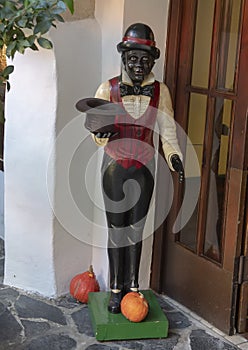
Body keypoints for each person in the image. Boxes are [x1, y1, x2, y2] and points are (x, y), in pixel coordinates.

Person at [91, 23, 184, 313]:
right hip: (114, 169)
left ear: (153, 60)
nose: (138, 65)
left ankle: (133, 288)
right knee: (116, 229)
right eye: (132, 58)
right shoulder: (108, 88)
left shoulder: (161, 92)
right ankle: (116, 290)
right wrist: (100, 135)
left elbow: (167, 132)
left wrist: (175, 158)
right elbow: (96, 126)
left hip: (144, 170)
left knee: (137, 230)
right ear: (124, 58)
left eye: (145, 59)